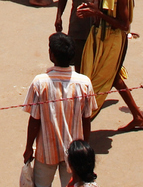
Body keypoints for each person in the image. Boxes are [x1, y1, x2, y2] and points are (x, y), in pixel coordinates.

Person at [23, 31, 93, 187]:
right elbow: (86, 120)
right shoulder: (84, 83)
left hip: (46, 151)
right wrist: (85, 149)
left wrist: (28, 148)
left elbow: (34, 121)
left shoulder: (41, 83)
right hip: (74, 154)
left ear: (52, 55)